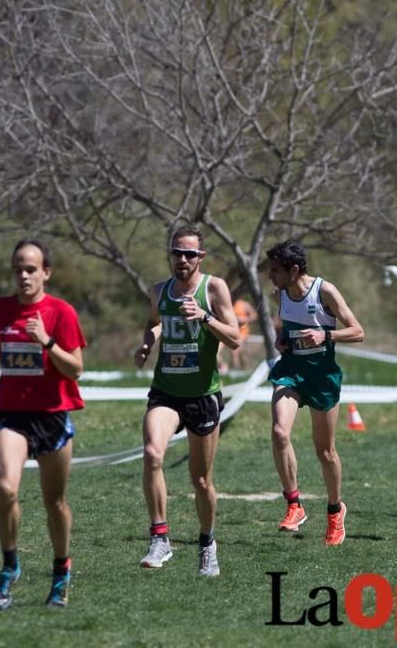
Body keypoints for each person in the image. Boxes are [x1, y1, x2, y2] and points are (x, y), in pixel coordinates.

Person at [0, 239, 86, 609]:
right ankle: (9, 566)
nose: (23, 275)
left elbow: (76, 369)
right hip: (11, 414)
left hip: (52, 416)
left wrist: (46, 342)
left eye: (31, 269)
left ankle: (60, 572)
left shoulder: (61, 312)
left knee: (55, 503)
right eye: (18, 268)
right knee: (6, 489)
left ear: (45, 273)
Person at [134, 226, 239, 576]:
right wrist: (147, 344)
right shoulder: (159, 292)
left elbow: (235, 338)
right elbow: (154, 321)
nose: (182, 259)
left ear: (201, 257)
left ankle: (208, 543)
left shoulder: (214, 288)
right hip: (166, 391)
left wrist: (205, 317)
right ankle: (160, 538)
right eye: (177, 252)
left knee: (201, 481)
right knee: (152, 454)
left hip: (203, 395)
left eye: (190, 254)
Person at [266, 239, 364, 546]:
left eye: (276, 271)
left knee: (325, 452)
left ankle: (336, 511)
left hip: (322, 375)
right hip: (292, 370)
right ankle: (294, 505)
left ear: (294, 270)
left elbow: (358, 331)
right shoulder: (280, 294)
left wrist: (326, 334)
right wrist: (283, 338)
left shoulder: (325, 291)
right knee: (280, 433)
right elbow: (286, 327)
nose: (271, 276)